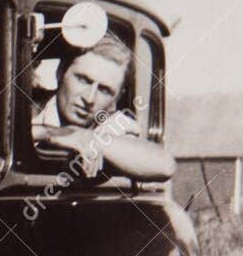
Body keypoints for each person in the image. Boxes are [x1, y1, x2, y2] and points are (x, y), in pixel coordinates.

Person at [32, 32, 175, 181]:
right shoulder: (27, 107)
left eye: (104, 90)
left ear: (116, 99)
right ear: (60, 72)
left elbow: (165, 165)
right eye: (83, 80)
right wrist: (56, 133)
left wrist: (90, 138)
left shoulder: (114, 126)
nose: (89, 98)